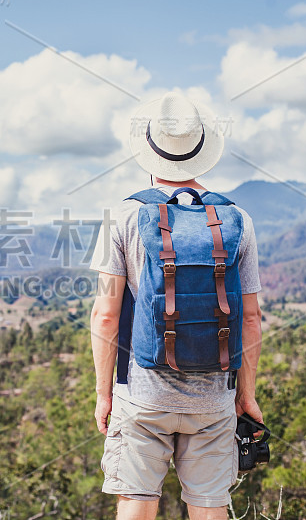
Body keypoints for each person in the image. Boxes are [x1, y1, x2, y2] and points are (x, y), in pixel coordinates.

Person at [89, 92, 264, 520]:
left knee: (135, 502)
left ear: (149, 153)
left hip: (142, 394)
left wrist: (102, 394)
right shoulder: (237, 219)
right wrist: (247, 395)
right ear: (204, 152)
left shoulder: (123, 216)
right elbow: (253, 318)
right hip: (213, 399)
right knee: (208, 507)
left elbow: (106, 315)